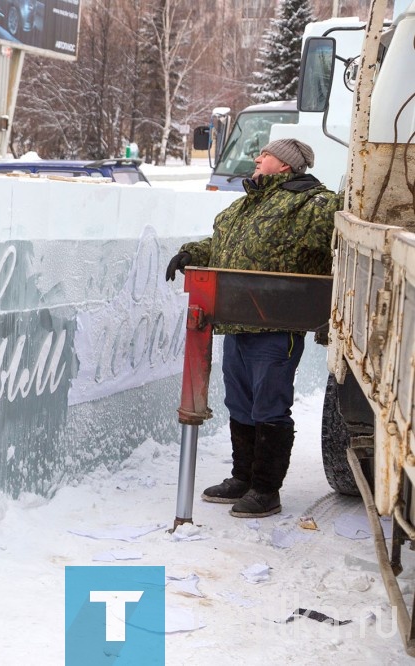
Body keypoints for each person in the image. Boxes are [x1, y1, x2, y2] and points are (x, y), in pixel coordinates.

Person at [164, 138, 340, 518]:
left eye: (267, 154)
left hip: (277, 327)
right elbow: (223, 244)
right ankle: (242, 477)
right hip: (236, 320)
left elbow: (342, 234)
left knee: (270, 407)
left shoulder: (314, 204)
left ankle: (265, 489)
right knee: (239, 403)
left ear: (287, 165)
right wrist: (192, 252)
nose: (257, 157)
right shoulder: (245, 205)